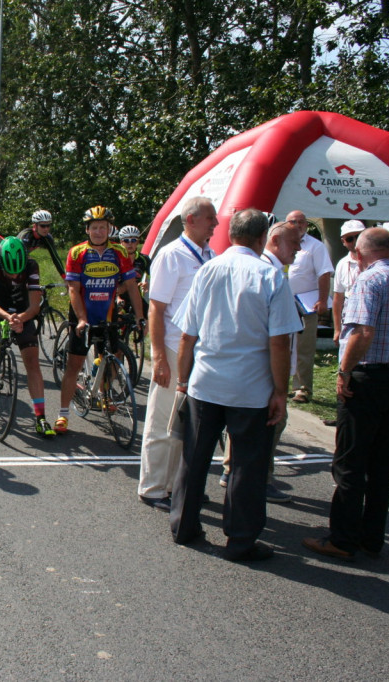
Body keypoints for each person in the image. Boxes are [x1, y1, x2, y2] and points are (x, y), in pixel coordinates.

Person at [169, 209, 302, 561]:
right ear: (262, 239)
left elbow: (188, 334)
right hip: (250, 388)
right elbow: (279, 342)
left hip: (205, 382)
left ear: (231, 236)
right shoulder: (271, 277)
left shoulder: (207, 271)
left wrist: (183, 380)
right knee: (246, 464)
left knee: (194, 459)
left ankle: (183, 525)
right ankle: (241, 540)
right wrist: (280, 392)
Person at [303, 227, 389, 561]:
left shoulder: (368, 281)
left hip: (367, 377)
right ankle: (372, 538)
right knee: (381, 463)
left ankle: (342, 539)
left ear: (363, 253)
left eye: (355, 250)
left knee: (350, 462)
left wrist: (344, 371)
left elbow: (363, 331)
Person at [137, 197, 216, 510]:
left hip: (197, 349)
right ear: (192, 219)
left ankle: (175, 484)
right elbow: (156, 308)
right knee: (161, 421)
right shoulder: (172, 255)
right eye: (210, 218)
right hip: (171, 347)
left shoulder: (210, 254)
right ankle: (153, 487)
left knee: (184, 423)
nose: (216, 223)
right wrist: (157, 357)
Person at [220, 220, 304, 504]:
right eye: (294, 242)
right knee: (271, 423)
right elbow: (276, 337)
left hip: (260, 367)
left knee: (255, 425)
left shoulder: (272, 270)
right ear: (275, 240)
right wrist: (279, 386)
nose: (299, 248)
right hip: (262, 368)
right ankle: (257, 480)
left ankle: (236, 472)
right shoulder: (267, 272)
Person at [56, 205, 145, 435]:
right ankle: (63, 413)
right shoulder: (77, 253)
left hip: (108, 314)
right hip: (83, 316)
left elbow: (132, 287)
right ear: (87, 229)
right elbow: (74, 290)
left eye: (103, 227)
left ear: (109, 229)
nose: (98, 231)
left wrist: (140, 317)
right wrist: (82, 319)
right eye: (94, 227)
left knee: (112, 359)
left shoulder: (120, 253)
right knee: (74, 366)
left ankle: (104, 394)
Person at [0, 237, 55, 438]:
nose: (13, 275)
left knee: (32, 362)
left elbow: (35, 305)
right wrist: (7, 316)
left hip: (21, 310)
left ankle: (41, 417)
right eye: (9, 271)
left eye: (17, 272)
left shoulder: (32, 265)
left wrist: (20, 319)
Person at [285, 210, 333, 403]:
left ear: (306, 225)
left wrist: (322, 300)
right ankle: (289, 385)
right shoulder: (282, 244)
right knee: (287, 346)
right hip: (285, 305)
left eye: (301, 222)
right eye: (292, 221)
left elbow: (324, 273)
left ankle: (303, 388)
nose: (297, 225)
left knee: (304, 347)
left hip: (306, 305)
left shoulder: (315, 247)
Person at [332, 220, 366, 344]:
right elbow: (338, 298)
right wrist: (337, 329)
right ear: (343, 242)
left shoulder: (378, 260)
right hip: (350, 315)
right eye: (350, 239)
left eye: (359, 236)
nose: (355, 241)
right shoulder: (342, 264)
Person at [17, 209, 65, 276]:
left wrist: (65, 277)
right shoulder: (26, 235)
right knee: (32, 263)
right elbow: (20, 255)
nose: (46, 229)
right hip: (12, 258)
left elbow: (55, 257)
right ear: (35, 226)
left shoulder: (47, 237)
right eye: (42, 226)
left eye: (48, 226)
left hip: (22, 261)